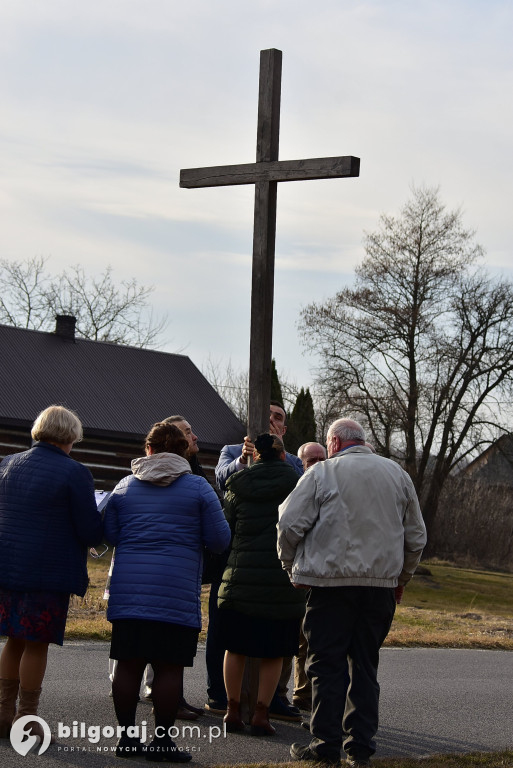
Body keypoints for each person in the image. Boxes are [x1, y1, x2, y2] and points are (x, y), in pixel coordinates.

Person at [278, 418, 427, 767]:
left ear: (333, 444)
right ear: (363, 441)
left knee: (326, 665)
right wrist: (401, 578)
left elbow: (288, 523)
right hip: (379, 588)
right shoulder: (397, 475)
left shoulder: (321, 474)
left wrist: (291, 568)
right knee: (365, 666)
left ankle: (324, 745)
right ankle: (360, 747)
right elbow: (416, 537)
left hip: (330, 586)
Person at [104, 422, 230, 761]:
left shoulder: (125, 486)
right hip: (175, 593)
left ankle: (127, 740)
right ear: (184, 451)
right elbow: (220, 540)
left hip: (130, 593)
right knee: (169, 668)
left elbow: (111, 533)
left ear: (148, 450)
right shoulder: (199, 488)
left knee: (128, 666)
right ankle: (162, 743)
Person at [0, 405, 103, 741]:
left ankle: (2, 714)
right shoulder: (75, 473)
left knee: (13, 639)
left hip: (7, 566)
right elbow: (89, 530)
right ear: (70, 436)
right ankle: (26, 721)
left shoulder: (6, 464)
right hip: (47, 573)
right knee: (36, 644)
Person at [212, 401, 303, 721]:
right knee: (262, 646)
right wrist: (243, 459)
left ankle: (248, 707)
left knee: (244, 645)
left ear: (284, 429)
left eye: (278, 417)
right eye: (267, 416)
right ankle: (246, 706)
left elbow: (226, 523)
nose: (271, 421)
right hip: (271, 573)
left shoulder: (291, 467)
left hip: (247, 568)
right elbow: (221, 476)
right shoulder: (234, 452)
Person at [292, 442, 327, 714]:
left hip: (320, 574)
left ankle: (305, 693)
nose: (316, 462)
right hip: (294, 572)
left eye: (321, 458)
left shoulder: (330, 486)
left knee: (310, 638)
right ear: (300, 462)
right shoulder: (296, 487)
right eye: (310, 459)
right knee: (294, 638)